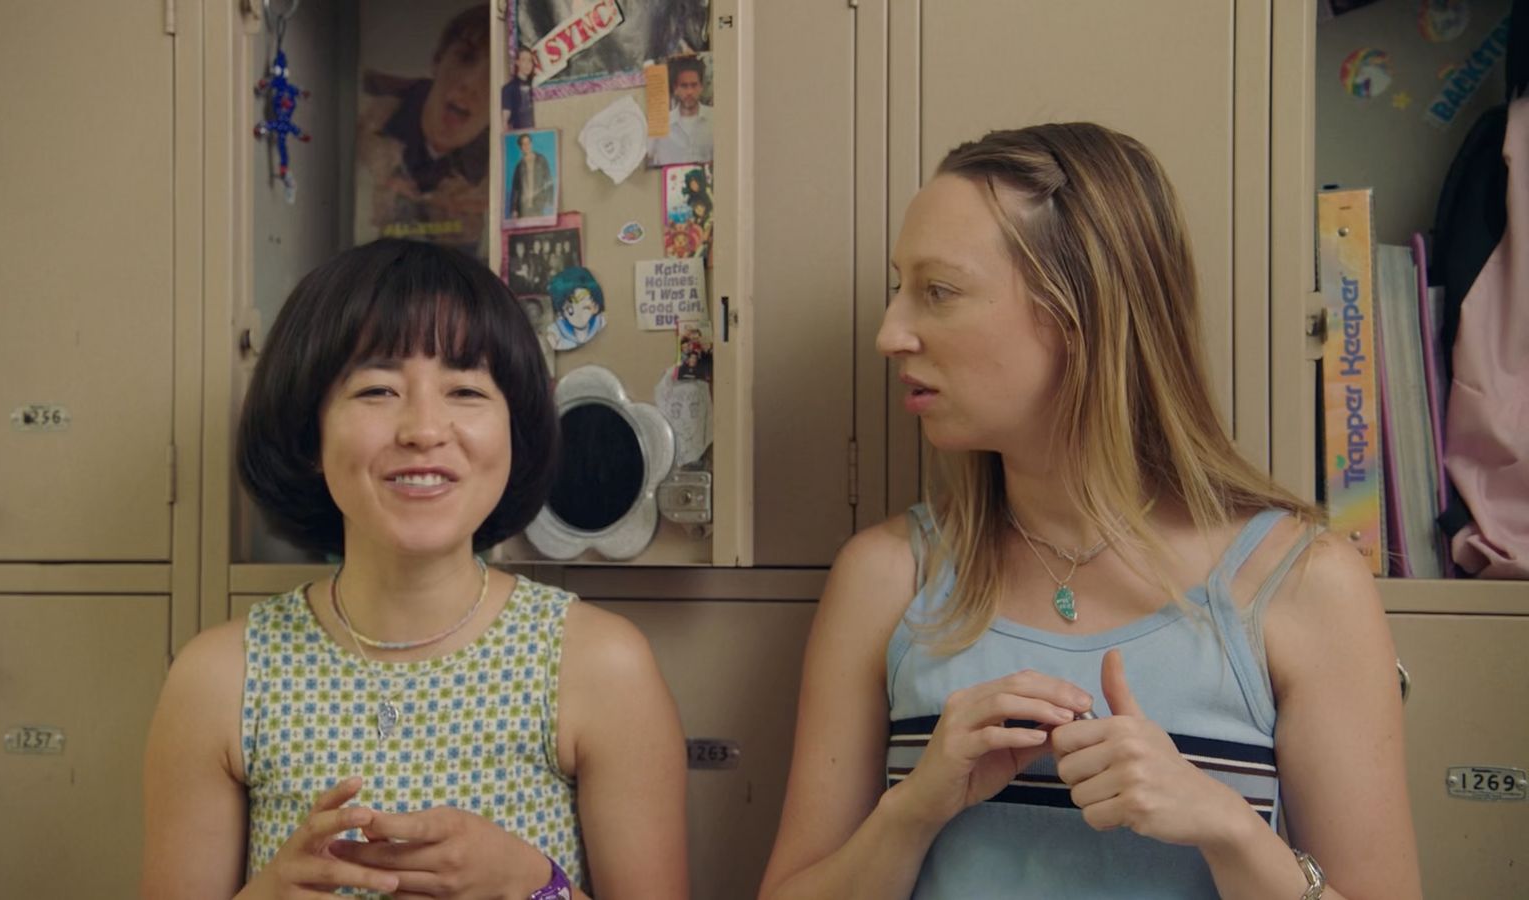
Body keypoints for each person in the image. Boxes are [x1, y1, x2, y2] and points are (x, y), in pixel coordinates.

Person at [758, 123, 1420, 899]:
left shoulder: (1306, 585)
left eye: (937, 291)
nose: (890, 333)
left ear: (1078, 315)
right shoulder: (885, 578)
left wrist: (1229, 828)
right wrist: (912, 811)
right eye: (899, 289)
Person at [141, 239, 687, 899]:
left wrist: (534, 887)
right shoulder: (218, 679)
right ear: (309, 432)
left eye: (464, 389)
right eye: (376, 389)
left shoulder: (600, 664)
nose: (425, 429)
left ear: (514, 431)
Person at [357, 8, 492, 253]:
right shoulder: (368, 124)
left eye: (492, 75)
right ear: (438, 60)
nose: (471, 84)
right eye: (466, 58)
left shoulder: (500, 168)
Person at [648, 56, 712, 166]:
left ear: (701, 87)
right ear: (675, 88)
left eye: (694, 85)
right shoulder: (661, 124)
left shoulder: (715, 118)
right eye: (684, 86)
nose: (689, 92)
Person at [545, 267, 606, 351]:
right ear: (561, 313)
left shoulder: (600, 323)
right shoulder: (559, 329)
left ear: (595, 307)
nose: (578, 314)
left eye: (585, 308)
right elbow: (551, 334)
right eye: (570, 310)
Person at [509, 133, 555, 222]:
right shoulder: (519, 166)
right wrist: (514, 209)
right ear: (520, 147)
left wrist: (550, 200)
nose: (526, 146)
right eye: (523, 144)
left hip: (538, 205)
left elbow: (549, 180)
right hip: (523, 207)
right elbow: (515, 189)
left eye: (528, 143)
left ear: (531, 144)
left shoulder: (541, 160)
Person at [501, 47, 536, 132]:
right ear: (517, 62)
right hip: (519, 134)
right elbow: (506, 118)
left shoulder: (535, 86)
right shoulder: (509, 88)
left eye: (530, 60)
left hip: (536, 133)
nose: (527, 64)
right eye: (523, 60)